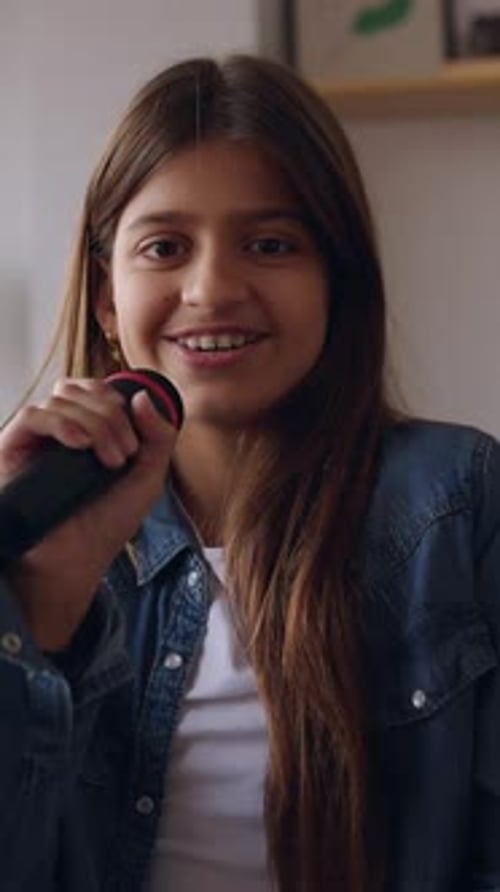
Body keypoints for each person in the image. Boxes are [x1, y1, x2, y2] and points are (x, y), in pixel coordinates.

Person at [0, 54, 499, 892]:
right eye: (165, 246)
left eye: (271, 244)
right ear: (105, 302)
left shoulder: (458, 501)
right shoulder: (42, 526)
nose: (212, 289)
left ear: (336, 284)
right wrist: (39, 602)